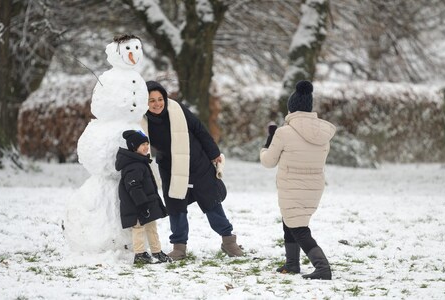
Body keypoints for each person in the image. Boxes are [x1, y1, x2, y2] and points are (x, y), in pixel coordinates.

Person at [140, 80, 243, 260]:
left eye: (159, 98)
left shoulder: (177, 110)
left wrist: (214, 153)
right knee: (176, 206)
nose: (157, 104)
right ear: (144, 102)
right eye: (151, 100)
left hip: (197, 163)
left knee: (211, 203)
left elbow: (199, 129)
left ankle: (229, 242)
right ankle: (179, 247)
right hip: (170, 168)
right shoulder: (142, 120)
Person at [260, 80, 336, 280]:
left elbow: (269, 161)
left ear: (291, 108)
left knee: (298, 228)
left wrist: (268, 143)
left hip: (292, 185)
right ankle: (292, 263)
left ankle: (322, 267)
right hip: (314, 186)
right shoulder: (323, 134)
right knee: (291, 222)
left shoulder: (284, 132)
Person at [115, 130, 171, 265]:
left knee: (152, 227)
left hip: (147, 203)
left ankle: (157, 251)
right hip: (138, 205)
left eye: (147, 143)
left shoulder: (140, 162)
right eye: (142, 145)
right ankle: (139, 254)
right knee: (139, 228)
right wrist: (142, 204)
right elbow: (133, 187)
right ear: (134, 147)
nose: (146, 147)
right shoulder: (133, 165)